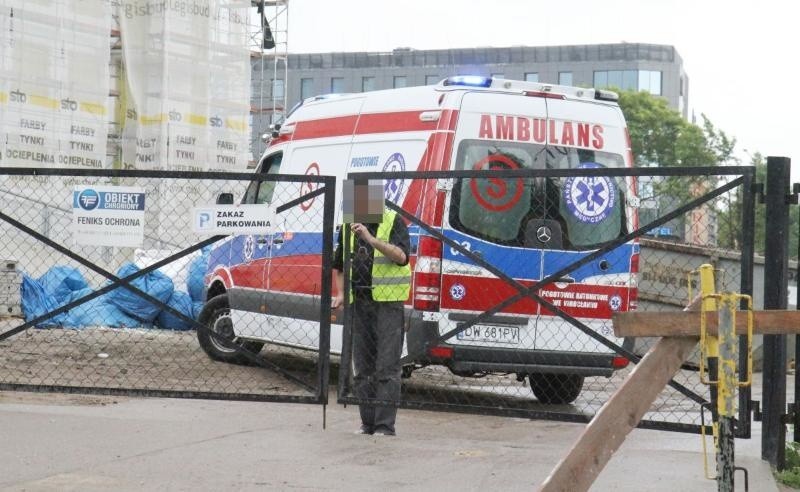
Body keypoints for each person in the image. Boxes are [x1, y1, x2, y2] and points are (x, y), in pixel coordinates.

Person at [332, 179, 411, 436]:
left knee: (387, 367)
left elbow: (401, 257)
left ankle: (384, 426)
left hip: (387, 304)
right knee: (363, 367)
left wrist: (370, 238)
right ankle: (367, 424)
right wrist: (342, 293)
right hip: (360, 303)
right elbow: (340, 265)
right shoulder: (348, 226)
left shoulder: (393, 221)